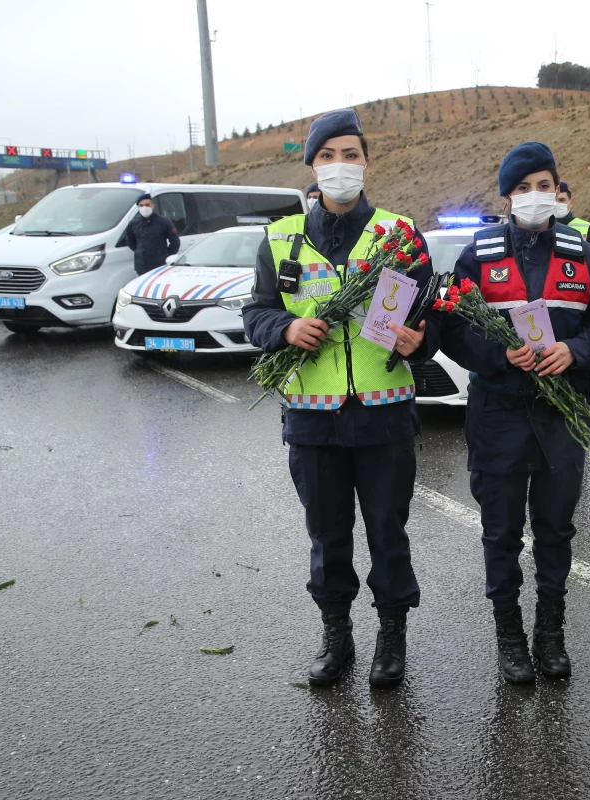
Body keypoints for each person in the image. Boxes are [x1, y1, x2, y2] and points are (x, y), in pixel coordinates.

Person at [242, 109, 440, 688]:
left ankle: (391, 637)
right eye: (327, 157)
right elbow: (254, 313)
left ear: (366, 163)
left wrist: (417, 339)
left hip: (384, 419)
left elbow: (431, 318)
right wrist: (284, 331)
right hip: (312, 420)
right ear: (312, 166)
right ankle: (337, 636)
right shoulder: (281, 239)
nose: (339, 166)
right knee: (328, 538)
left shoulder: (398, 233)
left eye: (350, 154)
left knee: (387, 532)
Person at [441, 141, 590, 684]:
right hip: (498, 414)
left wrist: (577, 351)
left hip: (562, 418)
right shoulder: (478, 254)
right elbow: (454, 329)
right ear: (506, 196)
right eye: (523, 188)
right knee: (500, 532)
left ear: (558, 190)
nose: (535, 196)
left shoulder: (584, 254)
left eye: (544, 185)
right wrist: (499, 354)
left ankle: (550, 633)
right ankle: (510, 637)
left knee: (555, 530)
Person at [124, 194, 180, 274]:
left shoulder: (164, 222)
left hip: (160, 264)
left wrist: (167, 256)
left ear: (153, 206)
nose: (144, 208)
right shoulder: (133, 223)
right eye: (141, 205)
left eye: (147, 205)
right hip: (142, 265)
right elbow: (130, 241)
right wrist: (139, 251)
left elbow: (175, 241)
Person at [555, 182, 590, 249]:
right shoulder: (541, 230)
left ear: (571, 203)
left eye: (561, 200)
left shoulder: (588, 230)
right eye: (554, 200)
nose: (557, 204)